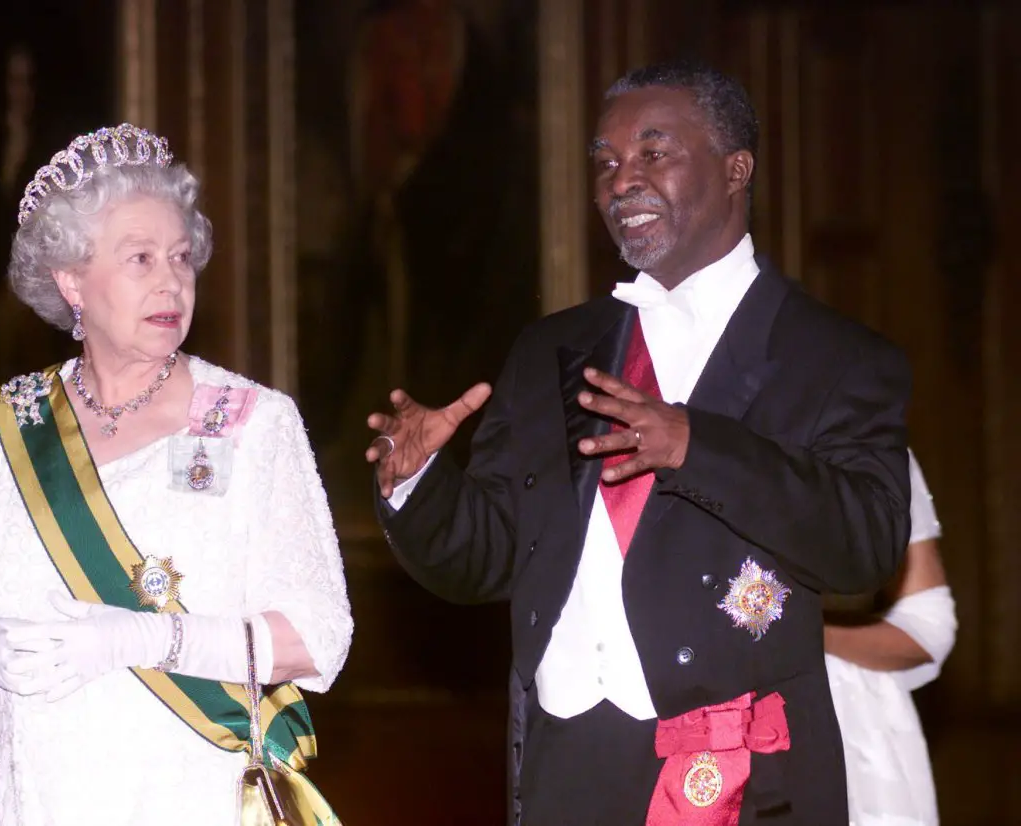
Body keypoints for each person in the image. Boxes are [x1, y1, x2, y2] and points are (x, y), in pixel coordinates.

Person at [365, 60, 911, 825]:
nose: (623, 181)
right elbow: (488, 556)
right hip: (564, 767)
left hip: (737, 779)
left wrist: (697, 445)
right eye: (607, 162)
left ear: (735, 169)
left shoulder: (836, 357)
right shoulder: (552, 349)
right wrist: (419, 484)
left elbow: (866, 549)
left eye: (654, 154)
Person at [0, 124, 352, 825]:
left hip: (192, 798)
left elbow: (317, 635)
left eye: (180, 256)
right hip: (39, 800)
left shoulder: (251, 421)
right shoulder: (3, 425)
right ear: (71, 279)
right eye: (140, 258)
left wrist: (139, 639)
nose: (171, 279)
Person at [825, 449, 956, 825]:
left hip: (848, 723)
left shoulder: (868, 444)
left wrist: (803, 631)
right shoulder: (667, 426)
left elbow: (929, 627)